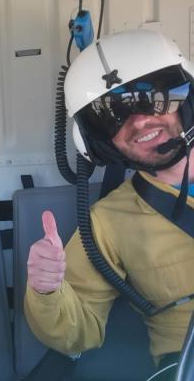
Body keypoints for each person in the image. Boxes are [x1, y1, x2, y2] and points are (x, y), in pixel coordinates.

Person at [24, 29, 194, 380]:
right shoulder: (106, 221)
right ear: (100, 142)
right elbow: (77, 335)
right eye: (112, 116)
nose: (139, 121)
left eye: (149, 99)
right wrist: (47, 290)